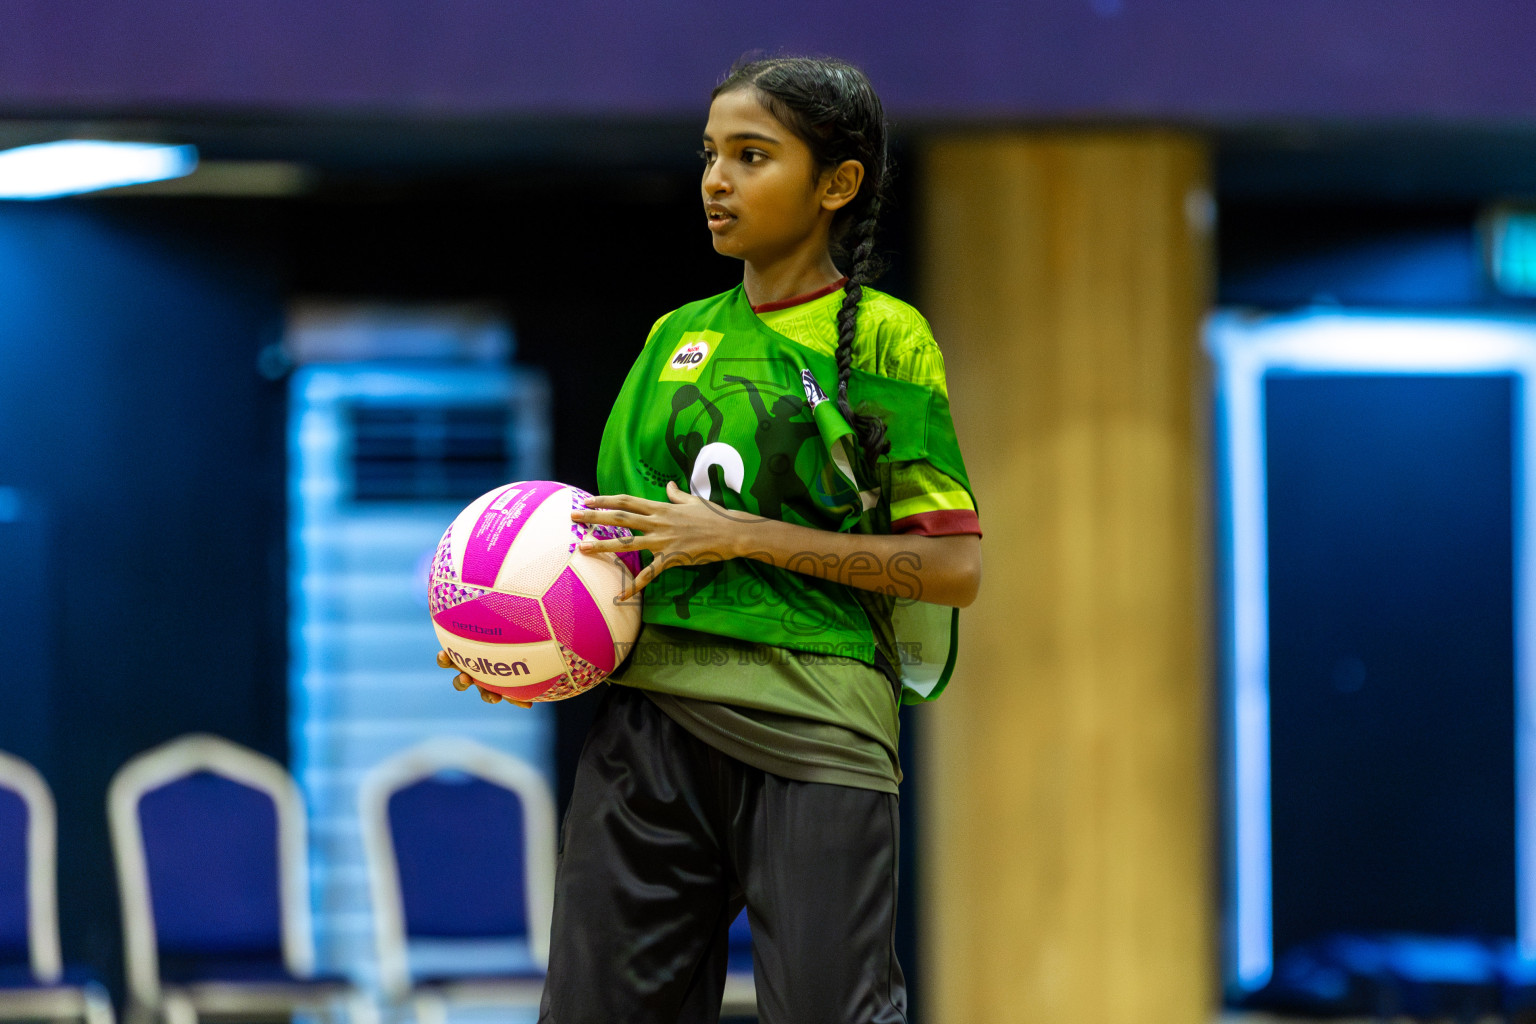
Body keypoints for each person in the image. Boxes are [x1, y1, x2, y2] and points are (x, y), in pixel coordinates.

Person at [437, 54, 982, 1024]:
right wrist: (520, 641)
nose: (715, 181)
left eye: (751, 155)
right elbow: (608, 551)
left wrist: (745, 536)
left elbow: (952, 567)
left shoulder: (889, 342)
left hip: (816, 728)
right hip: (649, 728)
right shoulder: (671, 338)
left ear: (836, 184)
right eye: (708, 155)